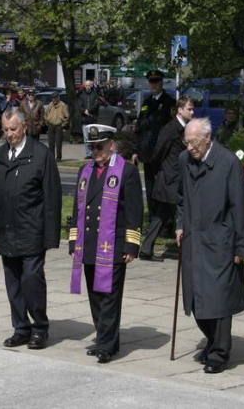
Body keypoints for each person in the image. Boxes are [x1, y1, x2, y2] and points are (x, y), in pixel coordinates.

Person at [176, 117, 244, 374]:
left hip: (220, 240)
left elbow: (239, 206)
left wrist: (241, 246)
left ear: (208, 138)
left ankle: (220, 353)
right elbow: (181, 198)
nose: (190, 148)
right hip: (193, 240)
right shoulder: (184, 161)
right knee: (196, 298)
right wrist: (179, 223)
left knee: (218, 300)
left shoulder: (227, 162)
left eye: (194, 142)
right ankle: (211, 341)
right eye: (186, 143)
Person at [0, 107, 62, 350]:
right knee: (14, 283)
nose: (9, 134)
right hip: (6, 231)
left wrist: (50, 237)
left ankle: (39, 327)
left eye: (14, 129)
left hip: (32, 230)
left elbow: (52, 198)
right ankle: (21, 327)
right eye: (5, 130)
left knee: (32, 280)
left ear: (24, 127)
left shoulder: (41, 155)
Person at [68, 124, 143, 363]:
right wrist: (73, 240)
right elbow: (77, 208)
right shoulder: (85, 171)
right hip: (89, 242)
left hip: (113, 244)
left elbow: (134, 210)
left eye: (99, 146)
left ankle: (106, 346)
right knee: (95, 295)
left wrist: (131, 245)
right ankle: (105, 338)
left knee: (109, 295)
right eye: (91, 147)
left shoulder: (126, 171)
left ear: (112, 145)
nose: (95, 151)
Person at [139, 95, 194, 262]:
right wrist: (161, 171)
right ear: (180, 109)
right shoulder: (170, 129)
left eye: (193, 109)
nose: (193, 111)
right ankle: (188, 250)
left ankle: (146, 249)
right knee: (183, 214)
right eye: (189, 109)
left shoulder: (186, 127)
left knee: (161, 216)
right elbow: (158, 153)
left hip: (176, 179)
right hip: (170, 180)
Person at [131, 70, 176, 224]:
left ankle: (166, 223)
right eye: (151, 81)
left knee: (163, 190)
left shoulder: (169, 103)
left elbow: (171, 130)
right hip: (147, 154)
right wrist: (135, 150)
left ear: (162, 82)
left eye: (156, 81)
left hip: (163, 156)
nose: (153, 84)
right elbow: (139, 128)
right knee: (150, 190)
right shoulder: (146, 103)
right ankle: (153, 220)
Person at [77, 80, 100, 158]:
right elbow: (80, 105)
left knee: (93, 137)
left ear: (91, 85)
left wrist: (89, 110)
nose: (87, 87)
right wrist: (84, 110)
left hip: (92, 119)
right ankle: (88, 154)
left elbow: (96, 105)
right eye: (86, 85)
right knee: (86, 138)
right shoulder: (81, 95)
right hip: (84, 119)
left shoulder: (95, 94)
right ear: (84, 86)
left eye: (89, 85)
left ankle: (94, 153)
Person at [44, 91, 69, 161]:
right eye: (52, 98)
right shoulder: (50, 104)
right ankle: (51, 157)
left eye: (55, 98)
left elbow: (67, 117)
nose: (53, 99)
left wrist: (63, 125)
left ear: (58, 98)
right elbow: (45, 114)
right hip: (51, 126)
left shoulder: (63, 105)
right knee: (51, 143)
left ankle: (58, 157)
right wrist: (47, 122)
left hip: (58, 126)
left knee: (58, 143)